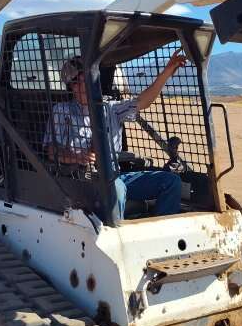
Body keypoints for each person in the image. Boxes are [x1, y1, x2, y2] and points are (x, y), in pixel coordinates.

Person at [43, 51, 186, 220]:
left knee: (171, 182)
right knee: (115, 189)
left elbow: (143, 101)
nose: (83, 87)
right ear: (70, 86)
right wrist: (77, 157)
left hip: (115, 175)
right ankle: (116, 237)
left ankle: (163, 233)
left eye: (87, 81)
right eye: (77, 82)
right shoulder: (62, 111)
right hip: (84, 181)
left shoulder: (111, 108)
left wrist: (167, 72)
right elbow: (51, 150)